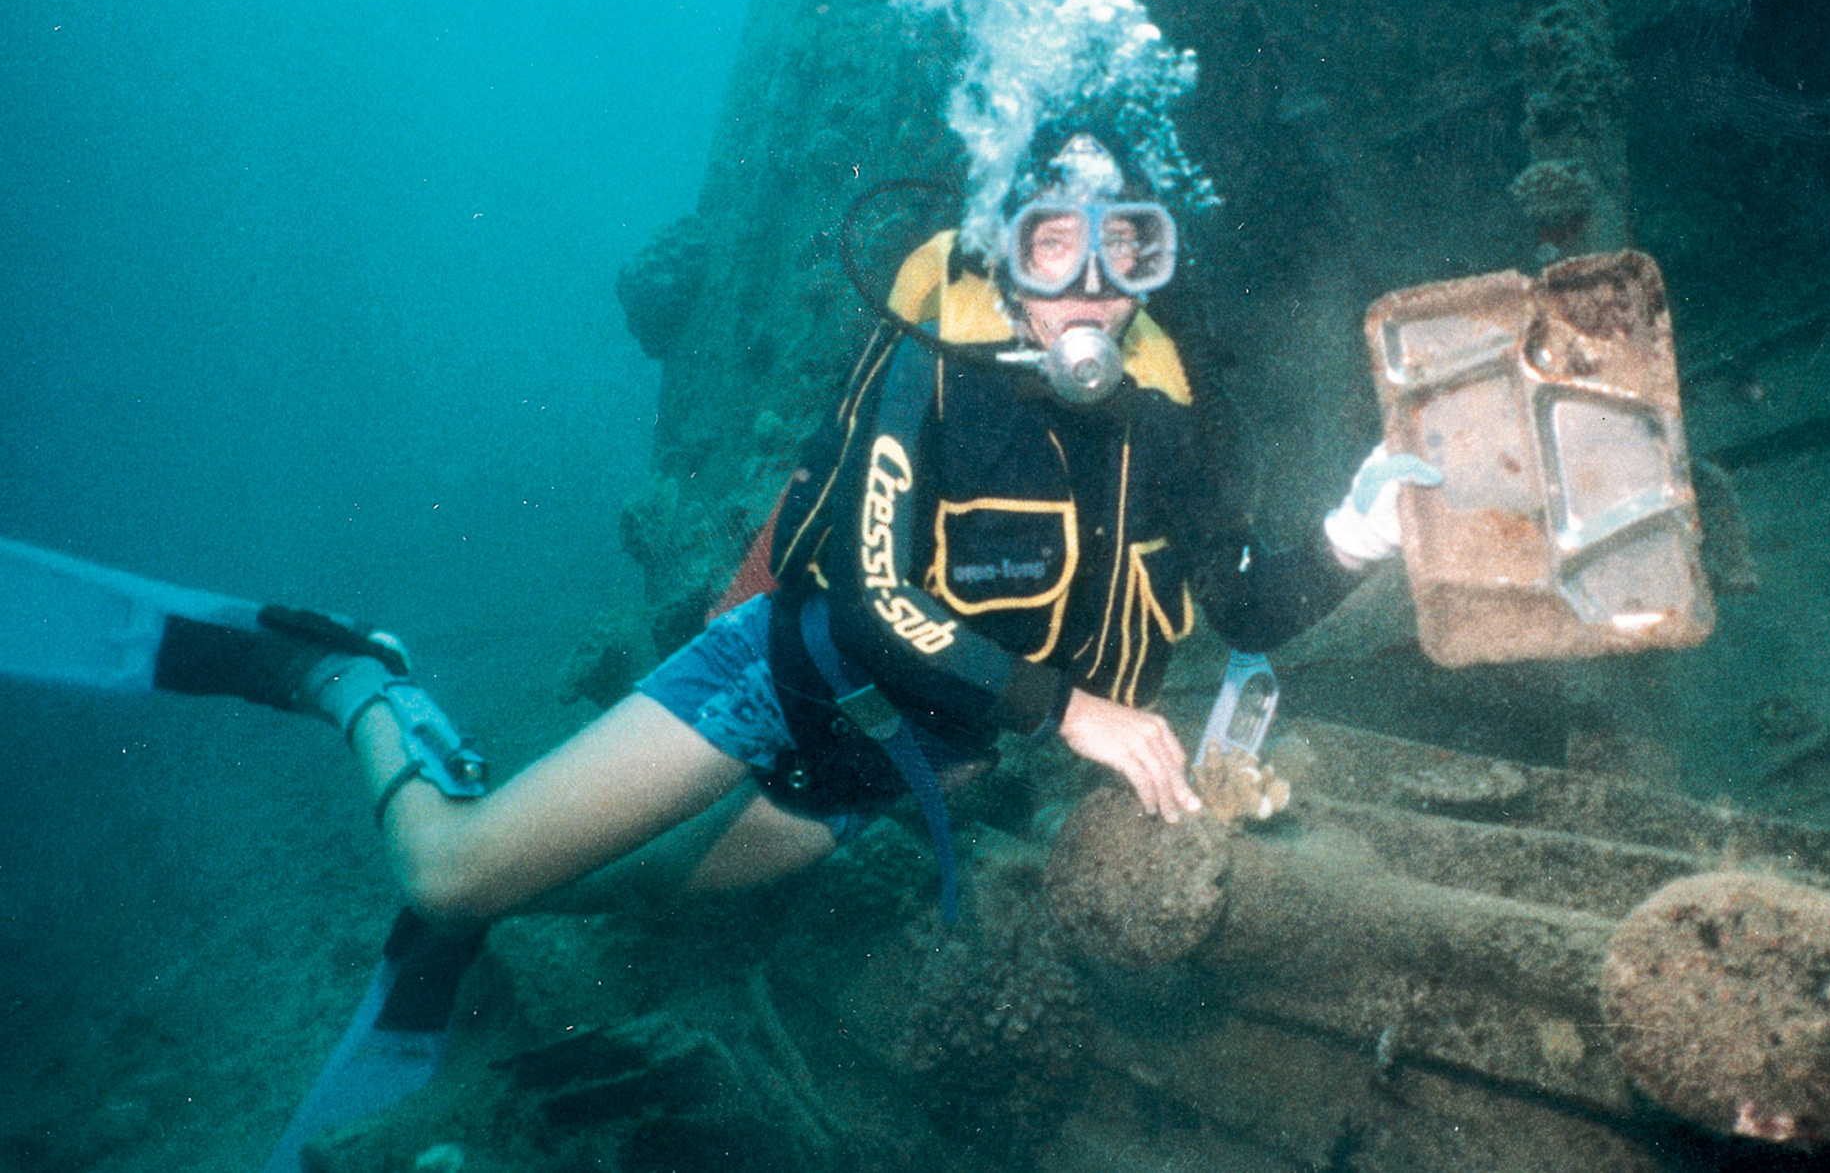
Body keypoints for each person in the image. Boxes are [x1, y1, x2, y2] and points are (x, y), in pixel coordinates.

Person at [157, 122, 1438, 930]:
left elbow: (1248, 608)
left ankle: (529, 818)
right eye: (1054, 251)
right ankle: (356, 680)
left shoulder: (1161, 414)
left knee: (612, 897)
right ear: (1003, 255)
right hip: (789, 677)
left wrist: (1355, 534)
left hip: (906, 761)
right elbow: (879, 599)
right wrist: (1071, 712)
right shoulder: (930, 364)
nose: (1089, 290)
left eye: (1126, 252)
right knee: (449, 884)